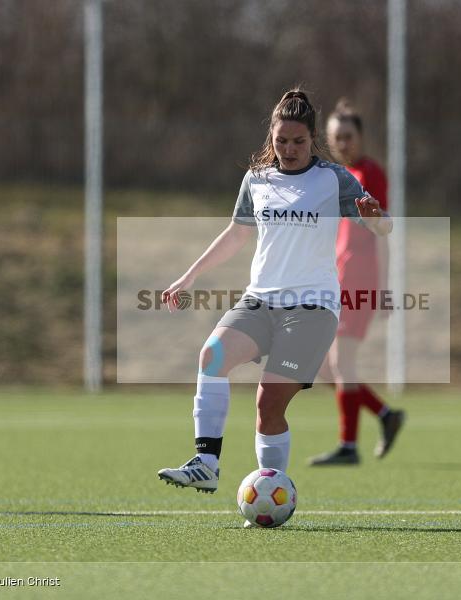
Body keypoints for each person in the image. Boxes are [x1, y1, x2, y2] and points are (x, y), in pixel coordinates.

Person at [156, 90, 392, 503]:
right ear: (271, 137)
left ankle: (274, 493)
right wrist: (189, 276)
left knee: (268, 405)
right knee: (212, 356)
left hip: (312, 308)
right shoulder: (257, 179)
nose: (290, 149)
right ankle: (206, 464)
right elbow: (236, 234)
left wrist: (378, 219)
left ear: (312, 139)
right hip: (260, 302)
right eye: (282, 141)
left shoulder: (333, 179)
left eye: (299, 141)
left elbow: (382, 226)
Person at [308, 99, 405, 466]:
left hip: (360, 278)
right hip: (334, 280)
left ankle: (349, 446)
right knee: (321, 365)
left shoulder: (370, 174)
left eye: (348, 136)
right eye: (336, 137)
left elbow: (382, 230)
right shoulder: (336, 176)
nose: (342, 143)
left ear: (361, 137)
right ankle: (384, 414)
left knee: (340, 360)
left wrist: (384, 288)